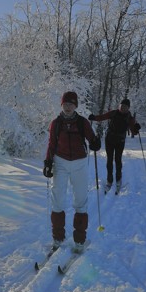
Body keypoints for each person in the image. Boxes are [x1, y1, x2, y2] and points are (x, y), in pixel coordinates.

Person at [42, 91, 101, 253]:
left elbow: (92, 139)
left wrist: (96, 142)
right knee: (57, 199)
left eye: (71, 104)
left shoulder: (82, 122)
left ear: (75, 106)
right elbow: (51, 144)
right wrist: (48, 162)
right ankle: (58, 237)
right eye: (65, 104)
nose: (68, 107)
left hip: (80, 163)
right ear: (61, 105)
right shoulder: (56, 123)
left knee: (80, 199)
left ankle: (80, 240)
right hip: (60, 162)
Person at [88, 98, 141, 193]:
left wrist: (136, 128)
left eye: (125, 107)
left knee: (118, 160)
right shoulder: (114, 113)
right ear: (119, 106)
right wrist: (94, 117)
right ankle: (109, 180)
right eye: (121, 106)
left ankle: (118, 179)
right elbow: (102, 117)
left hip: (120, 141)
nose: (123, 108)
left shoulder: (130, 117)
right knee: (109, 160)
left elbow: (134, 131)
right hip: (110, 139)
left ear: (128, 108)